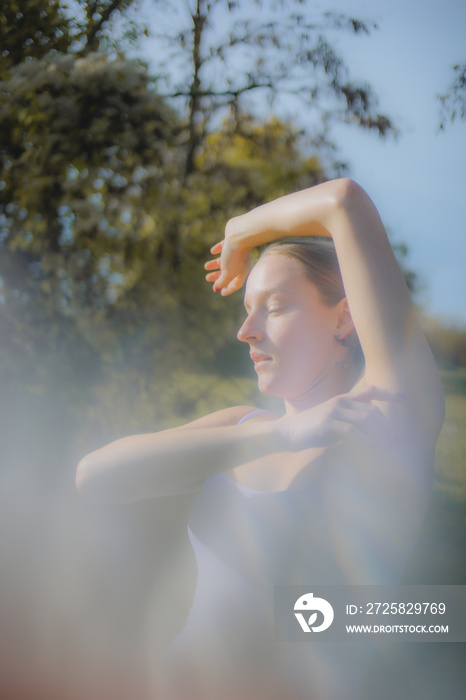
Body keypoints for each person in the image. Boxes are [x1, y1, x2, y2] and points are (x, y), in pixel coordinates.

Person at [76, 178, 444, 700]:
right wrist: (282, 434)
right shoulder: (244, 428)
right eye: (247, 309)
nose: (246, 330)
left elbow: (344, 203)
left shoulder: (385, 424)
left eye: (273, 306)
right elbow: (95, 476)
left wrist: (240, 230)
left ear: (343, 318)